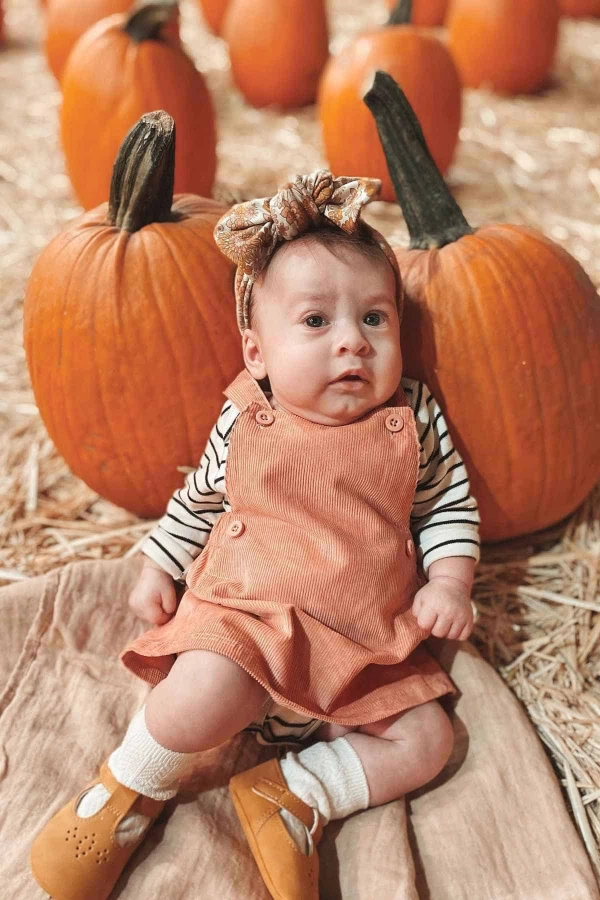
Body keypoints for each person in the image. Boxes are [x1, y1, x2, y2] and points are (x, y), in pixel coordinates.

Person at [31, 171, 480, 900]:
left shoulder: (413, 419)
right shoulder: (249, 418)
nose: (352, 343)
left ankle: (296, 793)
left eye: (374, 318)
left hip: (363, 644)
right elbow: (199, 500)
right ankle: (131, 786)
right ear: (257, 354)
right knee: (199, 694)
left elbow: (446, 507)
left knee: (428, 741)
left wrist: (450, 581)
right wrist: (159, 566)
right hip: (252, 621)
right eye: (316, 322)